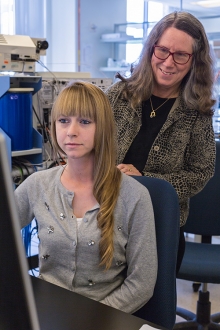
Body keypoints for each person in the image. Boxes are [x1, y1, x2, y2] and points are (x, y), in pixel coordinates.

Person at [14, 81, 157, 314]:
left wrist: (92, 320)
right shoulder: (38, 185)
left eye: (84, 121)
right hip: (47, 311)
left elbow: (141, 285)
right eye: (63, 121)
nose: (71, 131)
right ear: (53, 127)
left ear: (103, 128)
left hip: (104, 317)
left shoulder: (135, 196)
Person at [105, 11, 216, 273]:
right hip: (107, 220)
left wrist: (147, 181)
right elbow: (91, 151)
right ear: (151, 50)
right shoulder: (117, 96)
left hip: (160, 227)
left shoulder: (196, 112)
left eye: (180, 55)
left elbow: (201, 173)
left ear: (194, 61)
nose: (168, 62)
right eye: (162, 50)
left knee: (150, 311)